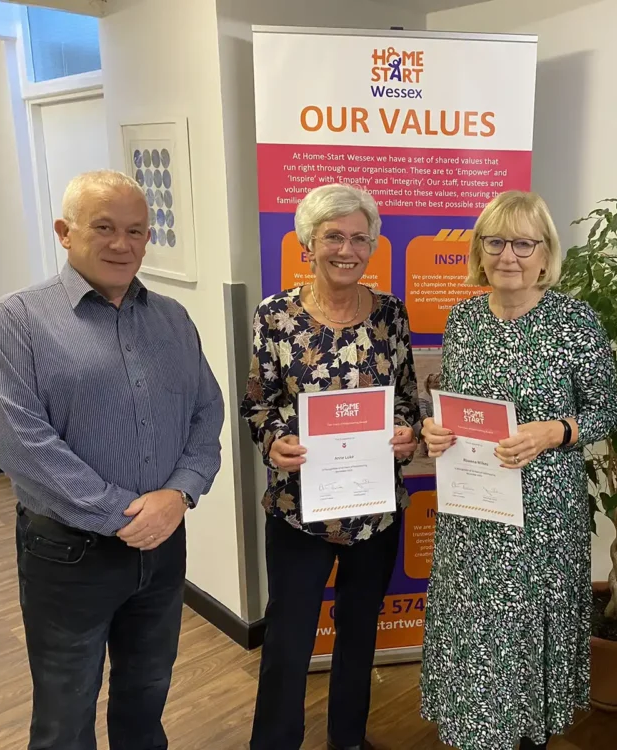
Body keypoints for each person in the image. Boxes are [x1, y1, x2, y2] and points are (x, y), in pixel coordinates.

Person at [0, 170, 225, 749]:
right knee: (66, 710)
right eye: (104, 227)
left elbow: (206, 411)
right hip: (68, 554)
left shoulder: (172, 319)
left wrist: (180, 493)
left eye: (135, 230)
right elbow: (19, 444)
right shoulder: (17, 321)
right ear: (65, 232)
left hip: (162, 549)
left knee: (146, 692)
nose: (122, 244)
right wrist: (127, 514)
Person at [420, 191, 617, 749]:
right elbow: (458, 408)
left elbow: (606, 409)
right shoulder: (462, 320)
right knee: (476, 632)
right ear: (481, 251)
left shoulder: (573, 321)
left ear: (544, 253)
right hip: (474, 511)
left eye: (524, 243)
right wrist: (439, 432)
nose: (509, 255)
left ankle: (525, 734)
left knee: (525, 633)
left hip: (544, 513)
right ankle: (474, 731)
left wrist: (554, 430)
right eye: (496, 241)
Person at [240, 183, 421, 750]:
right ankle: (274, 743)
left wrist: (406, 435)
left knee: (359, 633)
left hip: (373, 511)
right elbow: (258, 402)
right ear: (308, 244)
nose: (347, 249)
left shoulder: (391, 314)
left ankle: (348, 739)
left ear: (372, 246)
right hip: (300, 509)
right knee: (290, 639)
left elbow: (408, 401)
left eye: (359, 238)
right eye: (334, 237)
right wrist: (272, 442)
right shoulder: (275, 316)